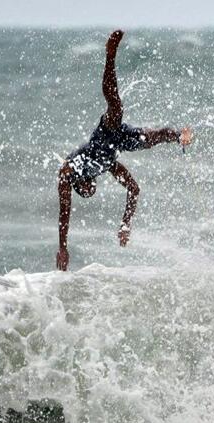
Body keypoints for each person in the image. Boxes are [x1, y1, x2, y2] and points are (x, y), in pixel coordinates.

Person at [56, 30, 193, 271]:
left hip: (103, 137)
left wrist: (63, 247)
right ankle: (179, 136)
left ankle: (110, 55)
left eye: (87, 190)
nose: (91, 190)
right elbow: (134, 188)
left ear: (81, 185)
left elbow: (64, 213)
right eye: (91, 191)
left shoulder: (70, 171)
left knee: (116, 106)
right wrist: (125, 225)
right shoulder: (107, 166)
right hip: (118, 143)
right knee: (151, 138)